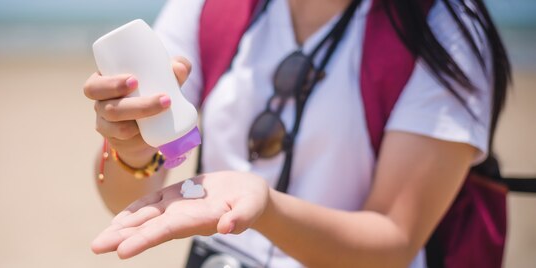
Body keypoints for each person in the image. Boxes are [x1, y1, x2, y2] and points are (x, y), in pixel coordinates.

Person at [83, 0, 510, 267]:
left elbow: (394, 241)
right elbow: (125, 202)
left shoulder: (442, 26)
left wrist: (267, 210)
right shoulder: (209, 7)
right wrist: (132, 149)